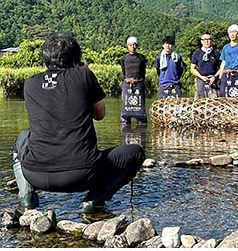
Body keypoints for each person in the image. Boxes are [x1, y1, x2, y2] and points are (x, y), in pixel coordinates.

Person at [12, 33, 145, 213]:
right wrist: (83, 75)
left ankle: (26, 198)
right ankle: (94, 200)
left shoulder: (30, 84)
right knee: (136, 152)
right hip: (82, 175)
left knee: (21, 138)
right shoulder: (84, 76)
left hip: (35, 174)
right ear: (75, 59)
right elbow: (100, 115)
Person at [120, 36, 148, 125]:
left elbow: (143, 72)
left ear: (137, 46)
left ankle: (141, 126)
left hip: (138, 85)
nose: (133, 47)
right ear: (127, 46)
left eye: (135, 45)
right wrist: (127, 80)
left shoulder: (141, 58)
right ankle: (125, 125)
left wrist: (139, 81)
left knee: (141, 116)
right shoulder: (123, 58)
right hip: (127, 85)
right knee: (125, 116)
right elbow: (123, 72)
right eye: (131, 45)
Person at [217, 24, 238, 98]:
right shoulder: (225, 47)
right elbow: (223, 63)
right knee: (224, 97)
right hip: (226, 75)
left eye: (234, 32)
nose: (232, 34)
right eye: (230, 32)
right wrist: (220, 77)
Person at [190, 32, 221, 98]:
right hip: (201, 80)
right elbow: (192, 68)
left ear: (211, 41)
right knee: (200, 101)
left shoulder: (216, 53)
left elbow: (222, 67)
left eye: (208, 39)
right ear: (201, 41)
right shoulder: (197, 53)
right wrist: (201, 77)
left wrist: (215, 77)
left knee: (215, 102)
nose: (206, 41)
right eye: (204, 39)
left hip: (214, 80)